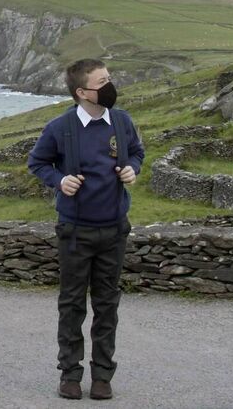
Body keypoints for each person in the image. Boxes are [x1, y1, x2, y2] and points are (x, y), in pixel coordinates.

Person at [27, 58, 144, 401]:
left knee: (107, 305)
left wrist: (132, 170)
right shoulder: (59, 128)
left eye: (110, 77)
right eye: (102, 81)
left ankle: (103, 376)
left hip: (114, 230)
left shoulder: (121, 121)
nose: (110, 85)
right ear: (82, 92)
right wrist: (59, 180)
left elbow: (137, 152)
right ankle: (70, 374)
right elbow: (37, 162)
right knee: (73, 305)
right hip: (75, 232)